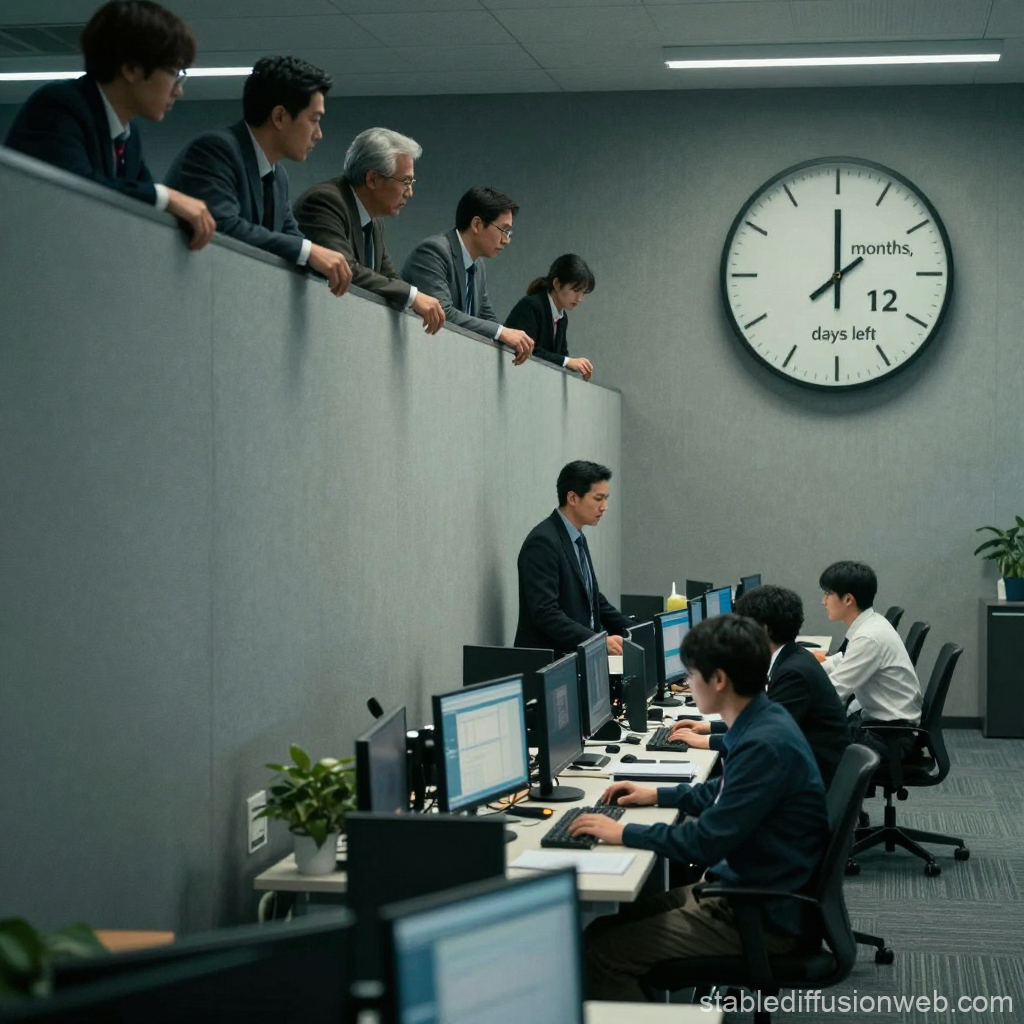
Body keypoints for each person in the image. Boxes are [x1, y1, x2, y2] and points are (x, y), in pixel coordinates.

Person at [567, 614, 828, 1002]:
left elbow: (704, 842)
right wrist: (658, 795)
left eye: (691, 674)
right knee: (601, 930)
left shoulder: (763, 744)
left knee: (601, 954)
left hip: (758, 914)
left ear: (718, 679)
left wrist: (622, 832)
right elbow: (723, 795)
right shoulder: (762, 721)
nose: (687, 683)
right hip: (745, 890)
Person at [5, 0, 214, 251]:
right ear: (131, 69)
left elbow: (138, 194)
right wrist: (166, 197)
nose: (179, 91)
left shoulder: (128, 136)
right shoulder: (59, 107)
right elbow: (75, 193)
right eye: (175, 74)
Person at [164, 56, 351, 296]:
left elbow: (289, 237)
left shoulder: (278, 176)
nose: (319, 134)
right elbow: (222, 226)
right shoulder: (216, 150)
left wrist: (314, 255)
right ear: (279, 117)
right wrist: (307, 251)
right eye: (314, 120)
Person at [669, 584, 851, 788]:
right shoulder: (790, 658)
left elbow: (764, 735)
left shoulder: (793, 673)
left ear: (764, 630)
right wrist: (708, 727)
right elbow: (759, 720)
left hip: (816, 775)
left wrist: (705, 741)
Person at [293, 128, 444, 333]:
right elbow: (346, 269)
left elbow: (388, 277)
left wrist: (415, 297)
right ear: (372, 179)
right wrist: (411, 296)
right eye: (406, 182)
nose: (410, 193)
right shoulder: (324, 202)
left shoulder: (374, 221)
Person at [401, 187, 534, 365]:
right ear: (477, 224)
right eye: (504, 230)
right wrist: (501, 332)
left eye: (509, 233)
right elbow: (444, 313)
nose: (507, 240)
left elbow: (486, 316)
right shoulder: (434, 251)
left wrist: (512, 337)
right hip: (420, 360)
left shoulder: (478, 265)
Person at [514, 460, 632, 656]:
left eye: (606, 498)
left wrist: (636, 629)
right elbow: (546, 614)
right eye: (598, 499)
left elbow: (593, 599)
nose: (605, 507)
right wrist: (597, 641)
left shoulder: (577, 538)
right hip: (551, 663)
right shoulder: (542, 542)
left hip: (580, 657)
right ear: (572, 498)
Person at [818, 560, 922, 759]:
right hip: (882, 726)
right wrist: (806, 668)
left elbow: (833, 692)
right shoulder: (871, 624)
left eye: (828, 594)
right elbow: (842, 661)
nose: (823, 602)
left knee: (812, 744)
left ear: (848, 599)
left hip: (891, 737)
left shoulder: (869, 637)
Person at [505, 254, 595, 379]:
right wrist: (567, 361)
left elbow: (560, 354)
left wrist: (575, 366)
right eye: (575, 290)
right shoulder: (531, 305)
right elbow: (530, 351)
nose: (579, 298)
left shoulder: (562, 317)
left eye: (583, 293)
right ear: (557, 284)